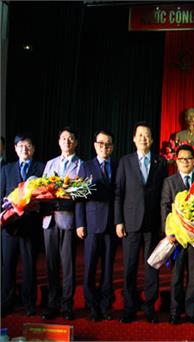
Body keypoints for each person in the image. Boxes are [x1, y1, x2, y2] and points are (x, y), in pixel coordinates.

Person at [115, 122, 168, 324]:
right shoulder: (125, 161)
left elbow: (164, 195)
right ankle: (129, 307)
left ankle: (149, 307)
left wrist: (164, 224)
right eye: (140, 135)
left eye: (147, 135)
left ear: (152, 139)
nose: (143, 138)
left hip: (152, 223)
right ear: (134, 139)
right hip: (130, 223)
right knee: (129, 267)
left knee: (151, 266)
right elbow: (118, 193)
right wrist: (118, 221)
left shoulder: (160, 162)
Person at [75, 130, 117, 322]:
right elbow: (79, 198)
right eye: (101, 143)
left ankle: (105, 306)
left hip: (111, 225)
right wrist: (80, 223)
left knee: (108, 270)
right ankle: (92, 307)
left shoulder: (117, 166)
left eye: (108, 144)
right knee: (90, 268)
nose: (104, 147)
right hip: (91, 225)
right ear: (94, 145)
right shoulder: (86, 166)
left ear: (112, 147)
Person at [1, 134, 45, 317]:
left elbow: (46, 197)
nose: (24, 149)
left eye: (28, 146)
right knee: (7, 266)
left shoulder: (42, 168)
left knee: (29, 266)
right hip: (10, 227)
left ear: (33, 149)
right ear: (15, 149)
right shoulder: (6, 169)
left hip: (31, 226)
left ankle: (29, 303)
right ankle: (6, 301)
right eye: (20, 146)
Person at [41, 127, 82, 321]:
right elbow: (41, 189)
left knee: (68, 265)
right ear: (59, 141)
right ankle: (52, 303)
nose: (66, 141)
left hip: (67, 219)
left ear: (75, 143)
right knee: (50, 264)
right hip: (49, 220)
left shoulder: (81, 165)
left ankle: (67, 304)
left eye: (70, 138)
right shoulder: (50, 164)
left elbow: (81, 193)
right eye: (63, 138)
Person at [160, 144, 194, 325]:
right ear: (176, 161)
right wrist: (168, 232)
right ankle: (175, 312)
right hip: (176, 238)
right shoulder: (169, 182)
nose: (185, 162)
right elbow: (164, 207)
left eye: (188, 159)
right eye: (181, 159)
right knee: (176, 276)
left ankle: (191, 311)